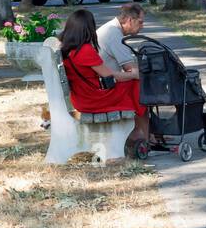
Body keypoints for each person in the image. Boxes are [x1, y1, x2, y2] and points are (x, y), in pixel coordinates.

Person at [59, 8, 149, 156]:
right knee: (137, 85)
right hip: (92, 100)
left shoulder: (67, 49)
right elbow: (109, 75)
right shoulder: (85, 50)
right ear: (88, 28)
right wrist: (133, 75)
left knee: (132, 86)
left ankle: (139, 135)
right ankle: (141, 137)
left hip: (81, 97)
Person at [97, 2, 145, 76]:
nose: (142, 26)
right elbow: (131, 68)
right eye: (140, 22)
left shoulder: (111, 28)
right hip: (105, 84)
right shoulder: (113, 33)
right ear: (130, 20)